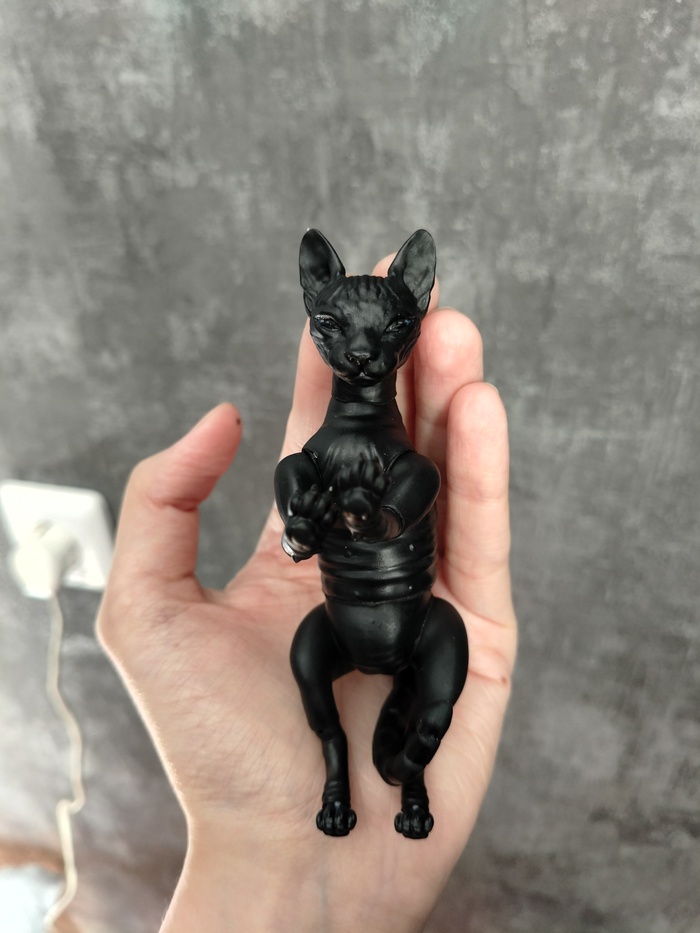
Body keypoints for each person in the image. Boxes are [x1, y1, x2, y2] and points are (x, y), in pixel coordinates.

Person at [96, 252, 517, 933]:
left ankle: (409, 772)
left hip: (417, 621)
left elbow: (415, 488)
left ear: (410, 325)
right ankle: (337, 771)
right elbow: (299, 534)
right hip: (341, 625)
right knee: (309, 651)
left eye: (385, 331)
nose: (361, 349)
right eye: (335, 327)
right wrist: (302, 532)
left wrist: (376, 521)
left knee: (444, 640)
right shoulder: (304, 463)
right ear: (314, 315)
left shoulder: (407, 463)